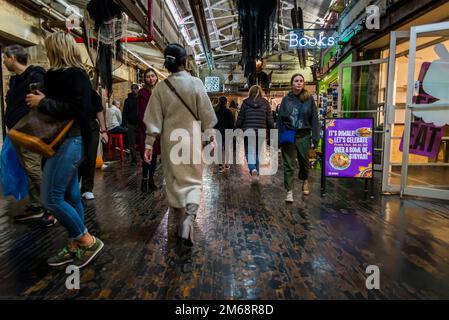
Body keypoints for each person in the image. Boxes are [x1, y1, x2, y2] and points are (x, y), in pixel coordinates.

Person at [26, 31, 104, 268]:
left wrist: (44, 102)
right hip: (59, 141)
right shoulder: (55, 75)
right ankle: (75, 244)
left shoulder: (77, 74)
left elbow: (81, 109)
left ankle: (87, 240)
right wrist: (44, 98)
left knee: (50, 198)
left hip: (72, 141)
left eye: (49, 47)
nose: (47, 51)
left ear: (57, 49)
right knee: (70, 196)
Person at [143, 43, 217, 246]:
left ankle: (180, 217)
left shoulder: (160, 88)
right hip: (192, 140)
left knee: (174, 180)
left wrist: (149, 144)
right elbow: (207, 114)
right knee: (193, 180)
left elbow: (153, 120)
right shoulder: (196, 83)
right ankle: (189, 219)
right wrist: (211, 136)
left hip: (170, 142)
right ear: (185, 62)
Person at [3, 44, 56, 226]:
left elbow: (43, 101)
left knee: (33, 168)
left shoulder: (34, 74)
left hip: (29, 130)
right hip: (16, 131)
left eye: (4, 57)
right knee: (28, 169)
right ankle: (37, 205)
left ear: (12, 58)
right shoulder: (15, 80)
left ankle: (51, 209)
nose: (3, 61)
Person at [278, 73, 319, 203]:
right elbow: (280, 120)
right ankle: (289, 191)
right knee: (288, 164)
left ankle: (305, 180)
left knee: (304, 162)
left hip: (304, 134)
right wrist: (278, 138)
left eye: (301, 81)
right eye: (296, 81)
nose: (299, 83)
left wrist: (316, 137)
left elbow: (314, 118)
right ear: (292, 83)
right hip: (289, 133)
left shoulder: (309, 99)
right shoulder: (286, 100)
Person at [235, 85, 274, 180]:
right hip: (261, 132)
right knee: (257, 153)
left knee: (249, 152)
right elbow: (269, 119)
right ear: (260, 92)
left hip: (248, 132)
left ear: (250, 92)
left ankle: (253, 170)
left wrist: (236, 128)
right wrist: (273, 131)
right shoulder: (265, 103)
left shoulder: (245, 103)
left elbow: (240, 119)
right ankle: (256, 173)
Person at [78, 90, 108, 200]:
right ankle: (74, 185)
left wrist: (104, 131)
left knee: (90, 158)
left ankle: (87, 188)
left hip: (91, 128)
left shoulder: (93, 94)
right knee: (76, 158)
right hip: (75, 127)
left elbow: (99, 112)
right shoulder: (71, 91)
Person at [137, 68, 160, 192]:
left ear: (156, 77)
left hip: (158, 131)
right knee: (147, 157)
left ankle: (151, 180)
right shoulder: (143, 93)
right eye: (148, 77)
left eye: (153, 76)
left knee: (154, 156)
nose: (151, 78)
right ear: (144, 79)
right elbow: (142, 114)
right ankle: (144, 182)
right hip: (146, 131)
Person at [214, 96, 235, 172]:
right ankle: (226, 164)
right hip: (227, 132)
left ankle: (220, 166)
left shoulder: (216, 111)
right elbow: (232, 123)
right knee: (227, 148)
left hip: (218, 131)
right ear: (226, 102)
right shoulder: (229, 112)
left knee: (219, 148)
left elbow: (214, 123)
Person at [122, 84, 139, 165]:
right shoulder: (127, 100)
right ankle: (134, 159)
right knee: (131, 143)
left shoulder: (140, 99)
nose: (135, 90)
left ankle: (144, 158)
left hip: (140, 124)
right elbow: (124, 112)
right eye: (133, 88)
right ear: (131, 89)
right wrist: (124, 124)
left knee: (142, 142)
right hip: (131, 124)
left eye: (136, 88)